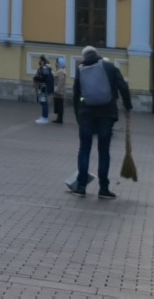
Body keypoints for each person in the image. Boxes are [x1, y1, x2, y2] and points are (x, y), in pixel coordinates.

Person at [67, 45, 133, 200]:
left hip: (86, 114)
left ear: (84, 57)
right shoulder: (109, 67)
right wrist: (128, 106)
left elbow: (76, 95)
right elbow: (123, 86)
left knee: (84, 150)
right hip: (106, 114)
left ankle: (81, 187)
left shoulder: (80, 69)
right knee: (104, 151)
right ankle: (103, 188)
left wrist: (78, 116)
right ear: (97, 54)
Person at [34, 56, 57, 124]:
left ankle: (44, 118)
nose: (39, 61)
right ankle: (43, 117)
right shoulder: (45, 67)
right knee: (42, 102)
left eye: (40, 60)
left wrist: (36, 78)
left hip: (44, 87)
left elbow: (44, 78)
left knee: (44, 102)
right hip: (43, 87)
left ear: (43, 60)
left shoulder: (45, 68)